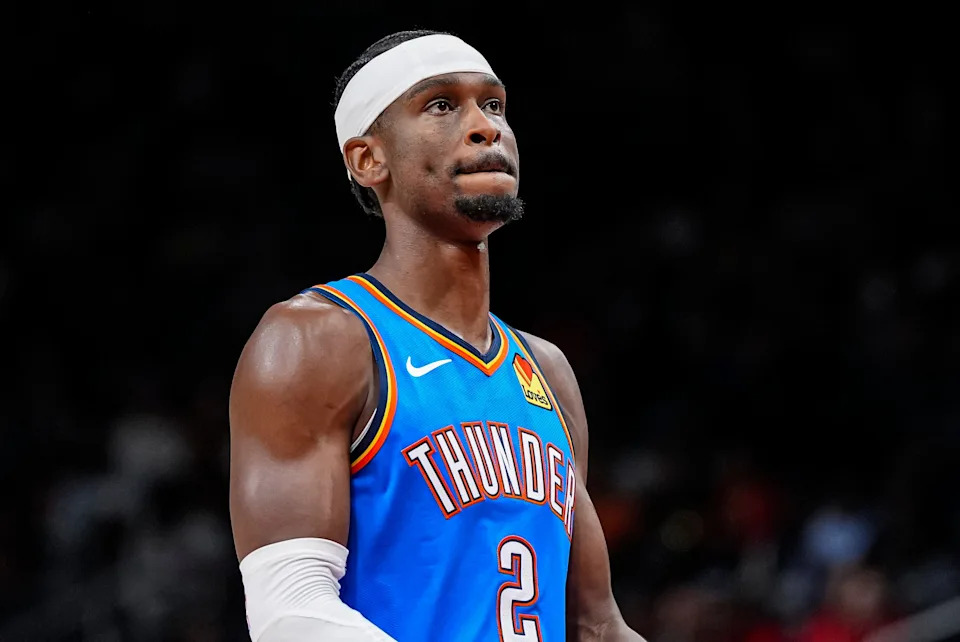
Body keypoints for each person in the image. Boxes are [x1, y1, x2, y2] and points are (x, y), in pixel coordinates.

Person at [229, 29, 646, 642]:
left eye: (495, 106)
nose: (486, 127)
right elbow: (289, 610)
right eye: (442, 106)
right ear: (368, 159)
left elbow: (596, 625)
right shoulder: (317, 339)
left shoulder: (547, 369)